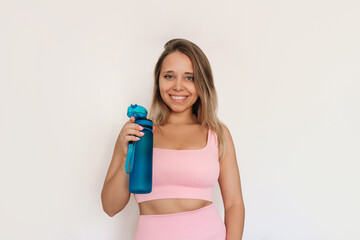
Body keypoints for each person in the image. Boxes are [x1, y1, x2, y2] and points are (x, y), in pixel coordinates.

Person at [101, 38, 245, 240]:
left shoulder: (217, 134)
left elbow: (234, 204)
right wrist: (128, 152)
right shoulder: (137, 133)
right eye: (169, 76)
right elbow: (110, 207)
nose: (178, 86)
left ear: (201, 83)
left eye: (189, 78)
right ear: (158, 80)